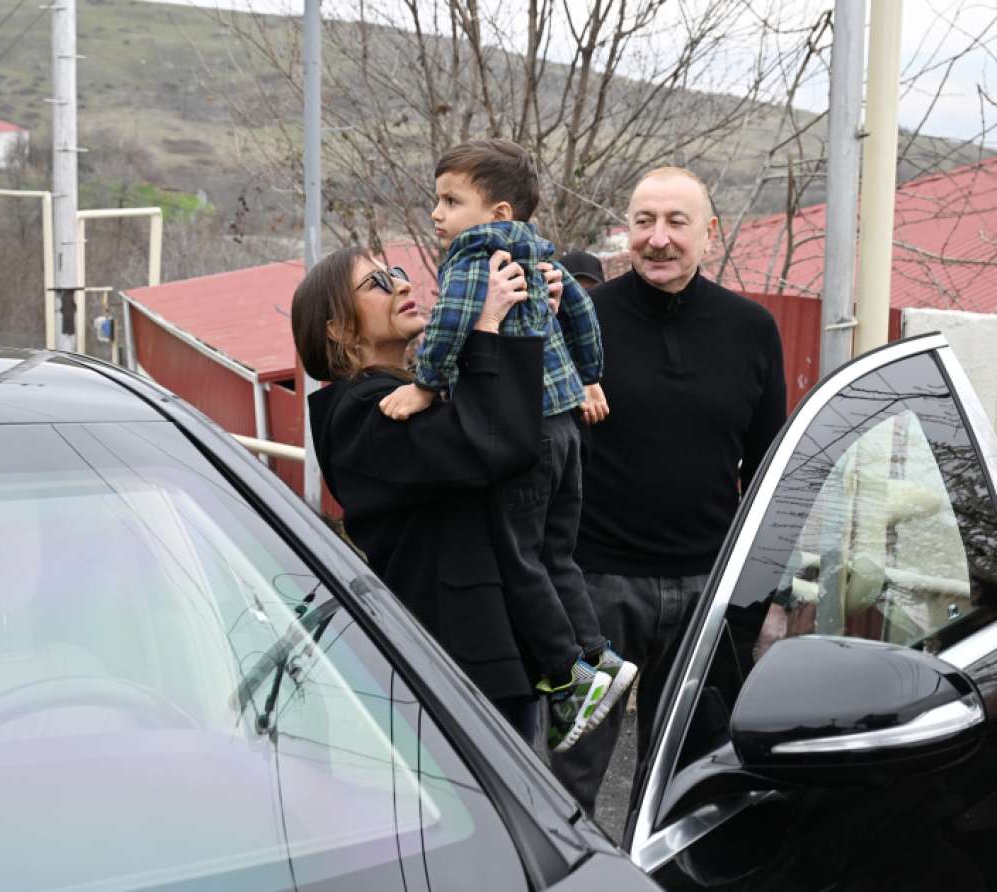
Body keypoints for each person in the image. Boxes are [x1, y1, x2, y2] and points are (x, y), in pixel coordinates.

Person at [379, 139, 635, 753]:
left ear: (496, 213)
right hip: (566, 427)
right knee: (556, 554)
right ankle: (598, 655)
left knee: (518, 557)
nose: (437, 213)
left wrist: (424, 384)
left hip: (529, 430)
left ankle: (569, 678)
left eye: (451, 201)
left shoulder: (475, 257)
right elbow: (583, 315)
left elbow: (449, 324)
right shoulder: (540, 254)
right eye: (437, 200)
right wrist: (589, 375)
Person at [549, 166, 787, 814]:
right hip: (592, 592)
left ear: (710, 233)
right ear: (626, 230)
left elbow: (769, 472)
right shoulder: (579, 321)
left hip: (708, 594)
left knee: (685, 784)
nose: (658, 238)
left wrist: (768, 595)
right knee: (565, 773)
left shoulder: (751, 329)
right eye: (644, 221)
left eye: (677, 222)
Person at [294, 246, 552, 741]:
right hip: (456, 663)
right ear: (339, 330)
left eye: (395, 272)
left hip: (481, 654)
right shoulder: (361, 415)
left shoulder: (404, 395)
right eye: (376, 283)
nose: (402, 284)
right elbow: (495, 445)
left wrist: (532, 321)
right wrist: (488, 327)